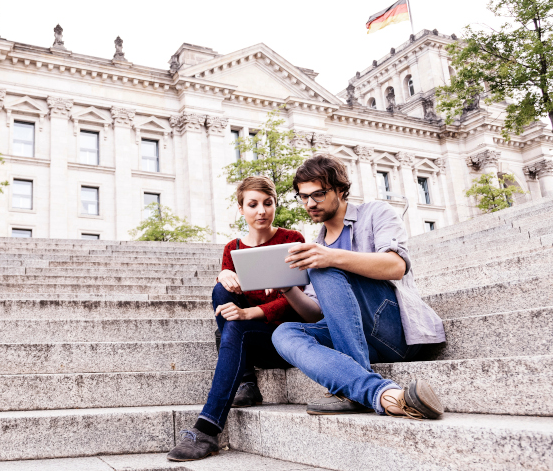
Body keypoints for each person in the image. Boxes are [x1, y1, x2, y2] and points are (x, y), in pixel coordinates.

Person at [271, 154, 446, 419]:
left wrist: (331, 257)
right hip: (354, 336)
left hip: (394, 329)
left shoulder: (376, 212)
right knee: (284, 333)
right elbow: (317, 313)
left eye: (317, 194)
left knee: (322, 264)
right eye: (303, 197)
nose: (310, 203)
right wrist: (286, 288)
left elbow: (396, 265)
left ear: (340, 189)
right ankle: (376, 392)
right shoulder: (317, 246)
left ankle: (352, 386)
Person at [167, 176, 322, 462]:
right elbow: (226, 302)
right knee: (220, 292)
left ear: (275, 205)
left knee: (234, 327)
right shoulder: (232, 248)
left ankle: (209, 425)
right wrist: (224, 274)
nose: (261, 211)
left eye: (267, 203)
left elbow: (297, 302)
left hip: (285, 338)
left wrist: (251, 312)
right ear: (241, 209)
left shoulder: (292, 240)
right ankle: (244, 382)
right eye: (253, 204)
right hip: (251, 337)